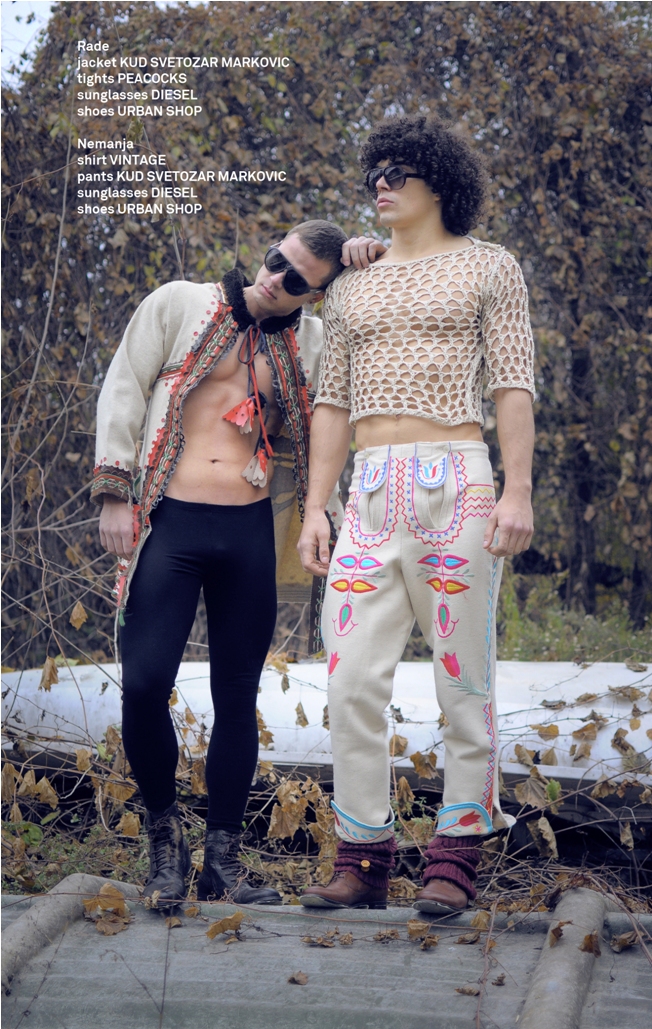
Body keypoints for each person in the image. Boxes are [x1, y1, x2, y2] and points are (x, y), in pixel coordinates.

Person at [92, 222, 381, 907]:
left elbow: (336, 414)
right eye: (277, 260)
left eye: (296, 279)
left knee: (236, 696)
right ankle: (165, 842)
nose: (275, 278)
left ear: (316, 294)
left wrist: (378, 256)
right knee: (144, 683)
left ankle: (222, 859)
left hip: (249, 531)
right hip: (170, 523)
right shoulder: (179, 302)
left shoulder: (316, 342)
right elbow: (124, 387)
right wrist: (114, 492)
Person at [297, 115, 536, 914]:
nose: (381, 183)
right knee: (349, 679)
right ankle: (364, 856)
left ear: (440, 182)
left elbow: (512, 384)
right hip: (368, 493)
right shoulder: (352, 284)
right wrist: (316, 507)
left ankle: (455, 852)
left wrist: (517, 490)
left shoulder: (490, 266)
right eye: (375, 171)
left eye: (399, 171)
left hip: (457, 485)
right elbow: (331, 403)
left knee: (463, 679)